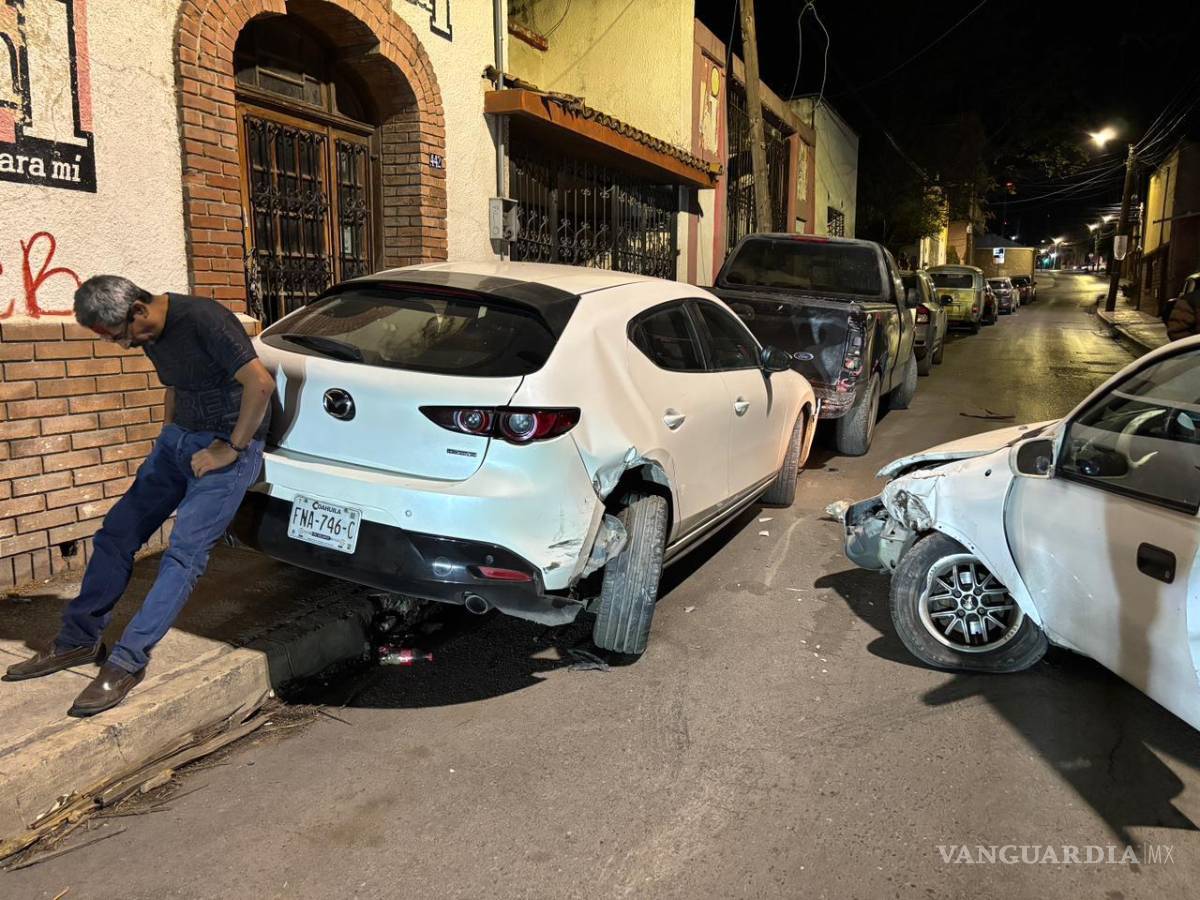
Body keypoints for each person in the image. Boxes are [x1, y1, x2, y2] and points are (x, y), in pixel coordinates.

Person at [2, 277, 275, 716]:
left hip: (224, 447)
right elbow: (176, 383)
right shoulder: (150, 332)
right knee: (116, 535)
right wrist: (167, 434)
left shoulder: (204, 319)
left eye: (121, 336)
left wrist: (232, 447)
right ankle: (77, 641)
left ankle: (127, 662)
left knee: (183, 554)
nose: (124, 345)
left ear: (138, 310)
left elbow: (260, 383)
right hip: (179, 442)